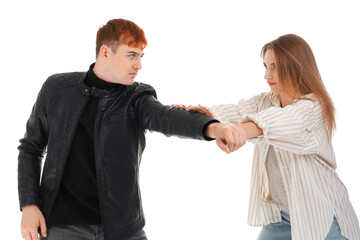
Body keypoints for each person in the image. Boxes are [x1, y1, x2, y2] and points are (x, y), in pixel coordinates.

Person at [18, 18, 245, 240]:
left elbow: (165, 116)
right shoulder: (57, 89)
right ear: (106, 53)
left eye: (140, 56)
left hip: (122, 228)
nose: (139, 65)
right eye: (131, 55)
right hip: (62, 227)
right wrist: (29, 205)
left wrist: (214, 128)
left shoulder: (136, 97)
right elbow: (30, 147)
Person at [175, 34, 360, 239]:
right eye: (266, 66)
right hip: (281, 215)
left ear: (296, 67)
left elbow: (278, 122)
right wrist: (193, 114)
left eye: (275, 67)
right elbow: (233, 112)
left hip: (321, 214)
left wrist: (239, 132)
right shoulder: (267, 101)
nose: (267, 75)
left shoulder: (314, 106)